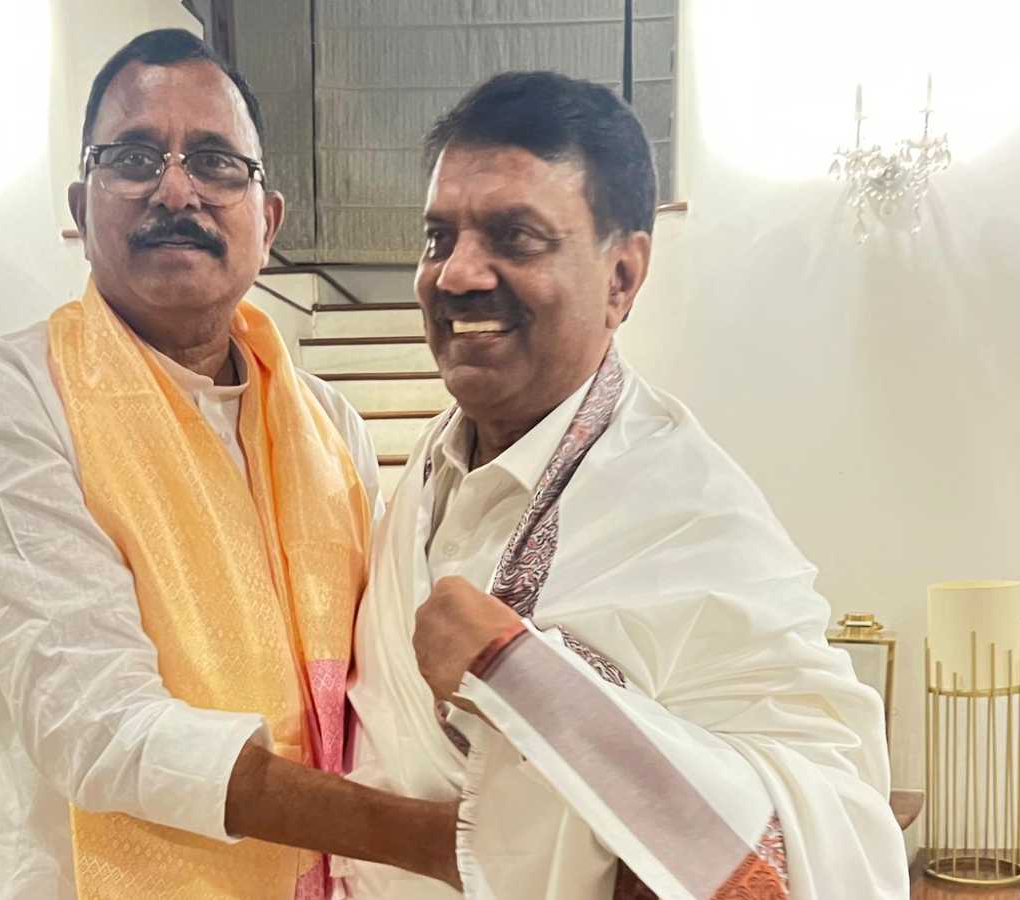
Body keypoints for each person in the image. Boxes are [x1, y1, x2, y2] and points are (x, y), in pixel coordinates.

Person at [340, 71, 909, 899]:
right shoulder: (425, 465)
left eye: (515, 237)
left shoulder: (687, 510)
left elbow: (838, 823)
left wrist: (520, 673)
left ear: (622, 278)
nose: (455, 274)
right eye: (437, 238)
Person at [0, 29, 456, 900]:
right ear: (81, 207)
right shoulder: (17, 396)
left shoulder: (330, 427)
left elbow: (371, 686)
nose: (176, 190)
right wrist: (435, 840)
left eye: (215, 162)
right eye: (134, 157)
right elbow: (96, 725)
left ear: (268, 221)